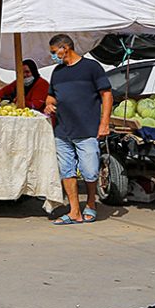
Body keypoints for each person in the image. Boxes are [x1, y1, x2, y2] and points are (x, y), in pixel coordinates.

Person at [45, 34, 113, 226]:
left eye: (53, 52)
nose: (52, 56)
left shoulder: (91, 68)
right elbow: (51, 97)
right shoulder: (57, 72)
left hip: (87, 130)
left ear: (64, 48)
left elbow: (106, 95)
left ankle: (91, 202)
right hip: (62, 131)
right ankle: (74, 210)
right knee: (67, 171)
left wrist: (104, 123)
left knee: (90, 171)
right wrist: (49, 105)